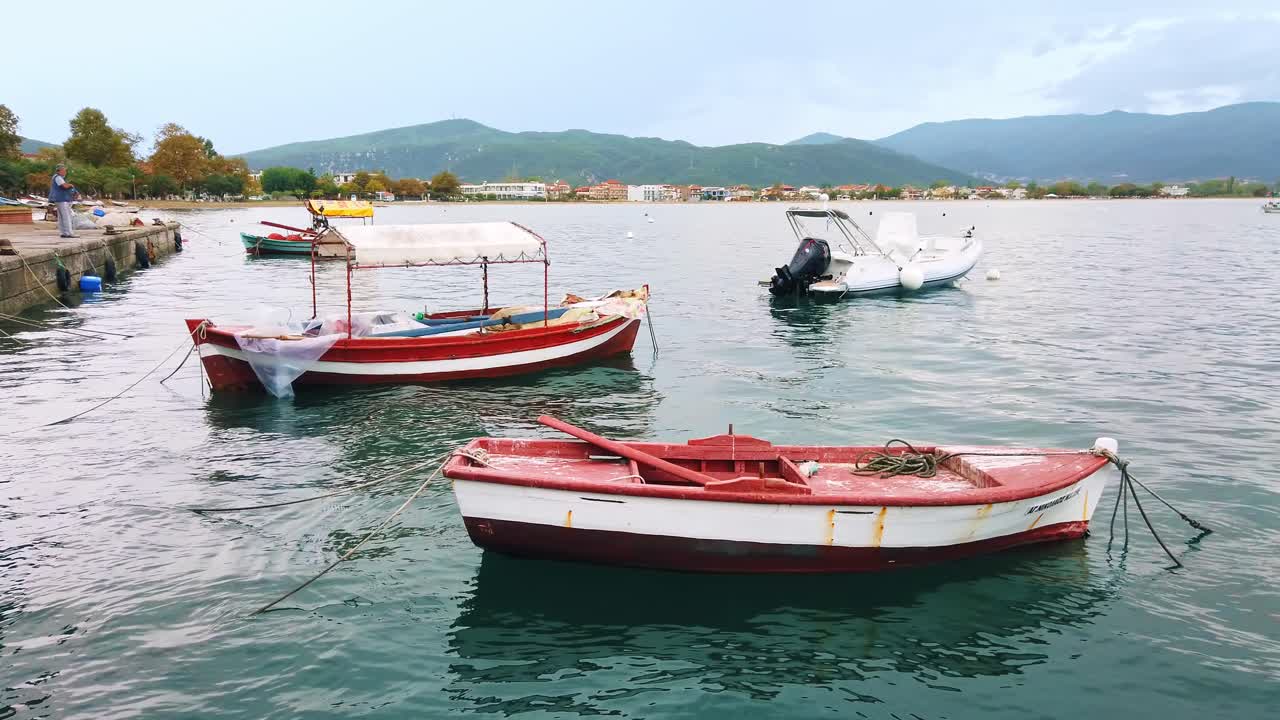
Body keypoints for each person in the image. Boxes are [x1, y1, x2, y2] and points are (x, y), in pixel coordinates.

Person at [50, 163, 79, 238]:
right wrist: (71, 185)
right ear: (59, 171)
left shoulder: (56, 177)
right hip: (61, 199)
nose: (65, 172)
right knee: (66, 216)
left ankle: (63, 232)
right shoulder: (58, 177)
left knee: (61, 216)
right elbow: (64, 186)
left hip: (58, 199)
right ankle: (69, 233)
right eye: (64, 170)